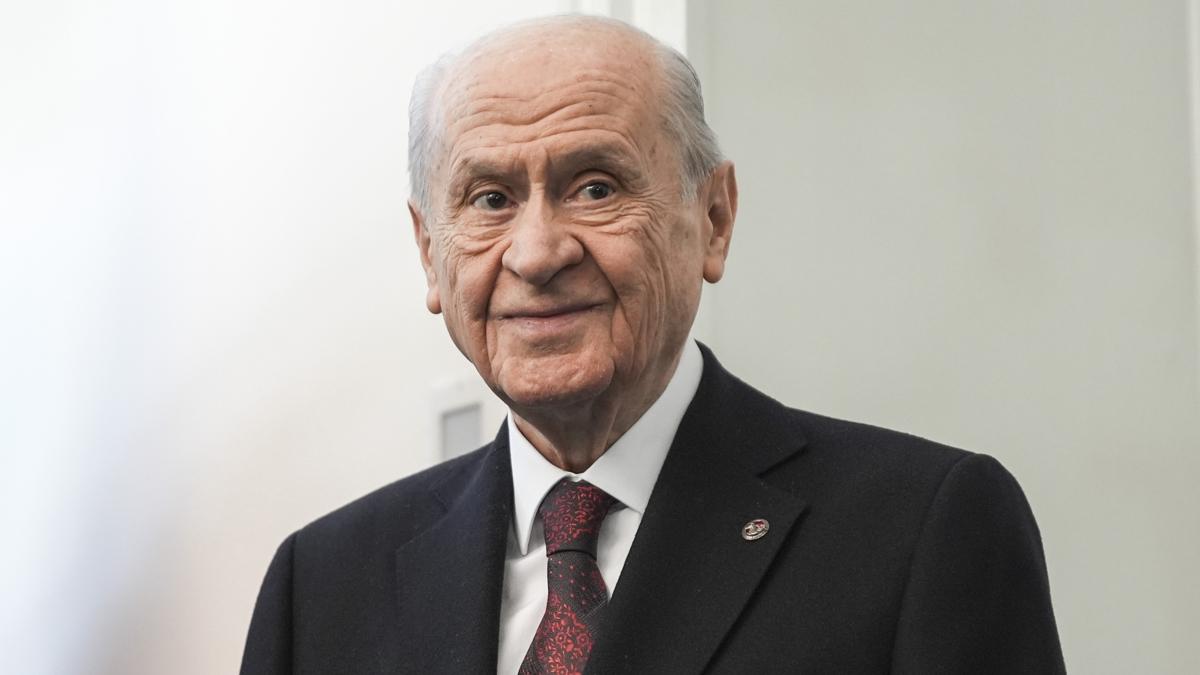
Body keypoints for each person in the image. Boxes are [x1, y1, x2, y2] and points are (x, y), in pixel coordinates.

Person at [240, 15, 1065, 674]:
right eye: (490, 198)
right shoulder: (320, 587)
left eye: (595, 186)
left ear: (714, 219)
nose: (537, 252)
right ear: (430, 253)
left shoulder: (921, 532)